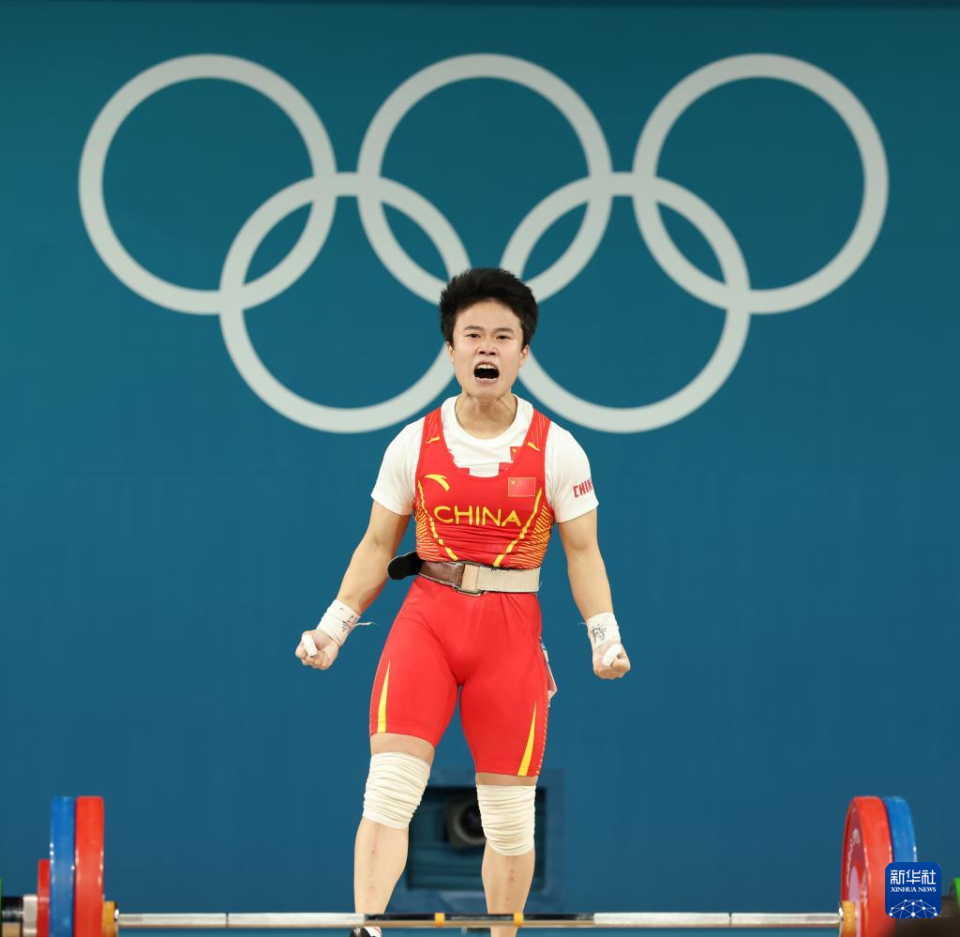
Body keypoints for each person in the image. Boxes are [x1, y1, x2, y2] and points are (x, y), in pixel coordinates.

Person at [295, 267, 630, 937]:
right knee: (389, 788)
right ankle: (368, 928)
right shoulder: (413, 443)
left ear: (523, 353)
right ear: (450, 350)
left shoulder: (556, 448)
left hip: (510, 636)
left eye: (503, 336)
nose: (487, 347)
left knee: (508, 818)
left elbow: (583, 552)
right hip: (428, 619)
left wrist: (604, 634)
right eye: (472, 334)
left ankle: (502, 934)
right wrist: (334, 624)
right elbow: (374, 545)